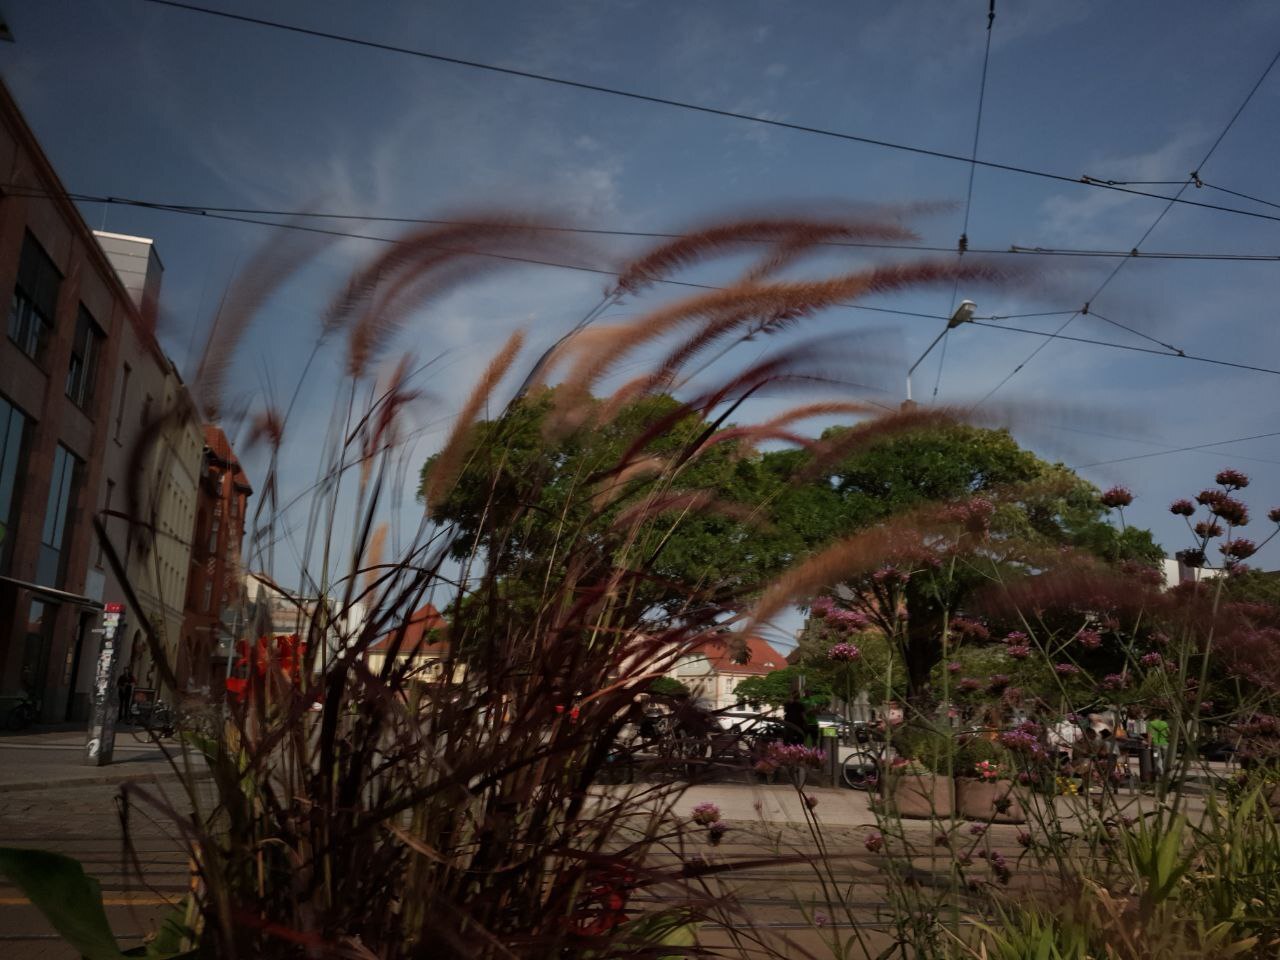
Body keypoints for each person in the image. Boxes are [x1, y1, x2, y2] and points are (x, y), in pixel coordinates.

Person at [1147, 714, 1170, 778]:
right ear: (1160, 717)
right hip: (1165, 744)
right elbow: (1169, 733)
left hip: (1155, 745)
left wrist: (1149, 746)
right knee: (1164, 758)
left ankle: (1160, 771)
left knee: (1156, 758)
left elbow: (1150, 736)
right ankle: (1165, 771)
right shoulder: (1164, 723)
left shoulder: (1151, 724)